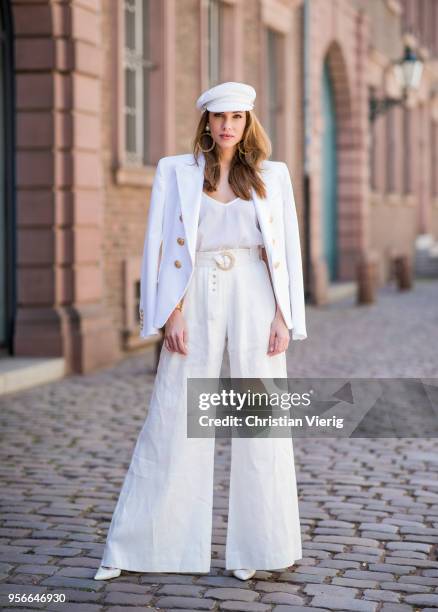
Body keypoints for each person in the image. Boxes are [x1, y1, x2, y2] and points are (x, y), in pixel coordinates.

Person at [94, 81, 307, 582]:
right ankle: (140, 548)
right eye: (218, 117)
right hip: (198, 289)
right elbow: (159, 241)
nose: (227, 125)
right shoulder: (177, 172)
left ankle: (261, 548)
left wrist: (284, 317)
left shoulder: (273, 176)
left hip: (257, 293)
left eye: (236, 117)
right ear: (206, 123)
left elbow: (287, 251)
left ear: (248, 121)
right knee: (174, 411)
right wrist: (171, 312)